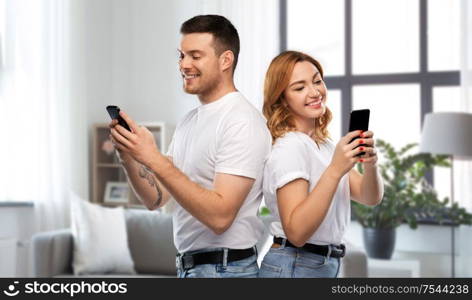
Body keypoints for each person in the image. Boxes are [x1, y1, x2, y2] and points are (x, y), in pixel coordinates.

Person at [108, 15, 271, 278]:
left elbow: (220, 217)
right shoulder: (189, 122)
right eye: (181, 56)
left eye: (195, 56)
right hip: (191, 268)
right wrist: (130, 156)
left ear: (225, 60)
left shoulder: (242, 121)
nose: (184, 64)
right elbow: (156, 198)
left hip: (226, 271)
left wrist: (153, 158)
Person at [258, 51, 384, 278]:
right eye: (299, 88)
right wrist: (335, 170)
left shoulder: (324, 147)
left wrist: (371, 165)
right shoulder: (290, 147)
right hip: (295, 264)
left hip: (317, 265)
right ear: (282, 98)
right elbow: (296, 232)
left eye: (317, 81)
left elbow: (370, 197)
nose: (315, 92)